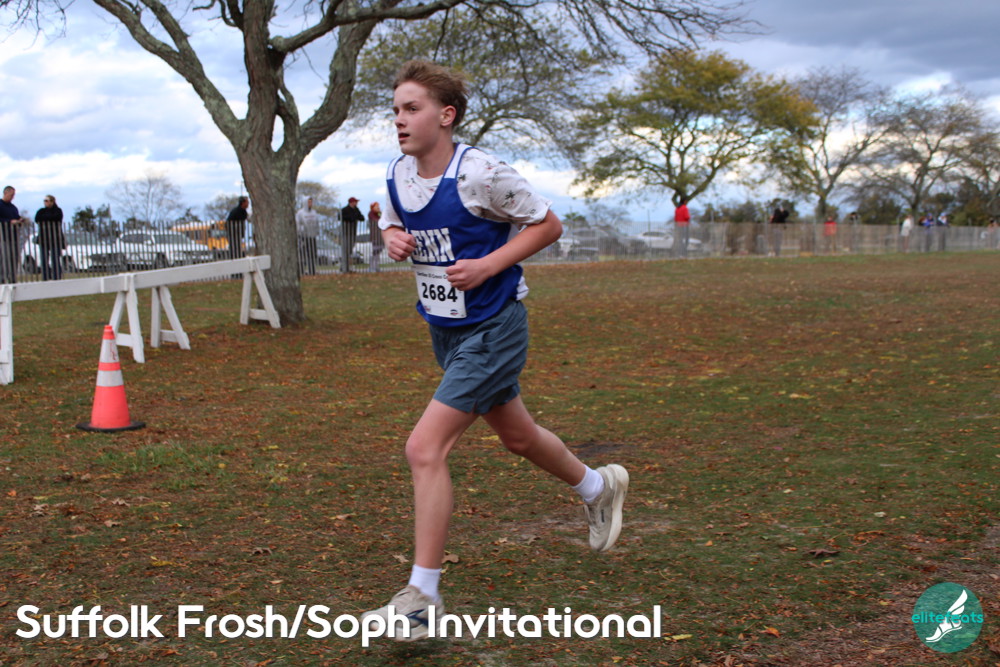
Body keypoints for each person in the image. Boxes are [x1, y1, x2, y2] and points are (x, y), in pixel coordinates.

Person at [361, 60, 629, 640]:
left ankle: (422, 599)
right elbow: (390, 218)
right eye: (395, 110)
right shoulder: (398, 173)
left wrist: (488, 265)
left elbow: (547, 225)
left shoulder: (482, 173)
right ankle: (598, 487)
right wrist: (391, 236)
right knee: (518, 437)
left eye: (412, 109)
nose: (399, 120)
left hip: (495, 327)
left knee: (424, 448)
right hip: (446, 331)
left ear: (446, 115)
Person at [35, 195, 66, 281]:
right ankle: (45, 277)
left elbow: (56, 218)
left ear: (52, 201)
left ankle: (57, 277)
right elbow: (37, 219)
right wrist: (47, 217)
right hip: (43, 239)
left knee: (55, 259)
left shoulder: (58, 211)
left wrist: (46, 218)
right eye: (44, 201)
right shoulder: (41, 211)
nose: (45, 202)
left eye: (47, 200)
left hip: (55, 238)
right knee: (44, 259)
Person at [0, 186, 27, 284]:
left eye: (13, 195)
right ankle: (2, 279)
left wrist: (20, 220)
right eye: (11, 195)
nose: (13, 197)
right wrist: (9, 221)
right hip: (3, 237)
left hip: (13, 237)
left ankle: (12, 278)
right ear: (5, 193)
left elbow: (16, 217)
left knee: (13, 258)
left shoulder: (13, 207)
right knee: (4, 259)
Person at [295, 197, 320, 276]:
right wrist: (300, 231)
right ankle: (302, 270)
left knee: (312, 254)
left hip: (312, 236)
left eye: (311, 202)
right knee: (302, 254)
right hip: (303, 237)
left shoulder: (314, 212)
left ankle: (312, 270)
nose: (310, 204)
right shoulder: (300, 213)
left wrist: (317, 231)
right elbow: (298, 223)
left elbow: (317, 222)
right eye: (309, 202)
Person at [340, 196, 364, 272]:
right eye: (355, 202)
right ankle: (344, 267)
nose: (356, 203)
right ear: (351, 202)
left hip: (353, 232)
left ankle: (346, 266)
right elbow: (340, 217)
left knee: (349, 250)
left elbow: (362, 218)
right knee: (345, 250)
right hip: (346, 233)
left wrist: (355, 217)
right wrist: (352, 218)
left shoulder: (356, 210)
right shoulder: (344, 210)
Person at [368, 201, 384, 272]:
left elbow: (383, 219)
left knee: (380, 249)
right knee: (375, 250)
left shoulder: (379, 213)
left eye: (378, 206)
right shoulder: (371, 213)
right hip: (375, 235)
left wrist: (380, 213)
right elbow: (376, 220)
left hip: (380, 235)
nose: (378, 208)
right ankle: (372, 266)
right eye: (376, 206)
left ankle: (376, 266)